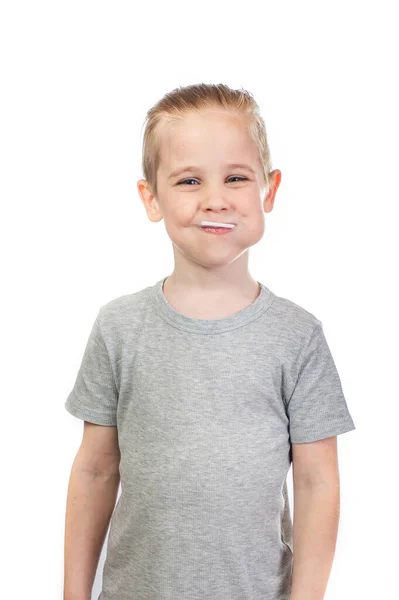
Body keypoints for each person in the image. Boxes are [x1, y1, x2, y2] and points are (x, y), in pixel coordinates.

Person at [64, 83, 356, 600]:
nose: (215, 198)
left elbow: (318, 484)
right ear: (150, 197)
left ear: (269, 190)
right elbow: (94, 470)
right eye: (190, 180)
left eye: (237, 177)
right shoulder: (119, 327)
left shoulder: (297, 337)